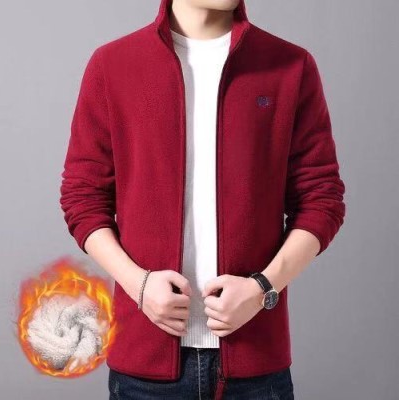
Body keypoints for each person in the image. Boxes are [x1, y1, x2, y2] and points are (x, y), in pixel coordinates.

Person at [59, 0, 346, 399]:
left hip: (255, 364)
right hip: (145, 366)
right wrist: (138, 285)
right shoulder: (113, 65)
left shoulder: (290, 66)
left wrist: (263, 288)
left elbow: (322, 199)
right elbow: (83, 196)